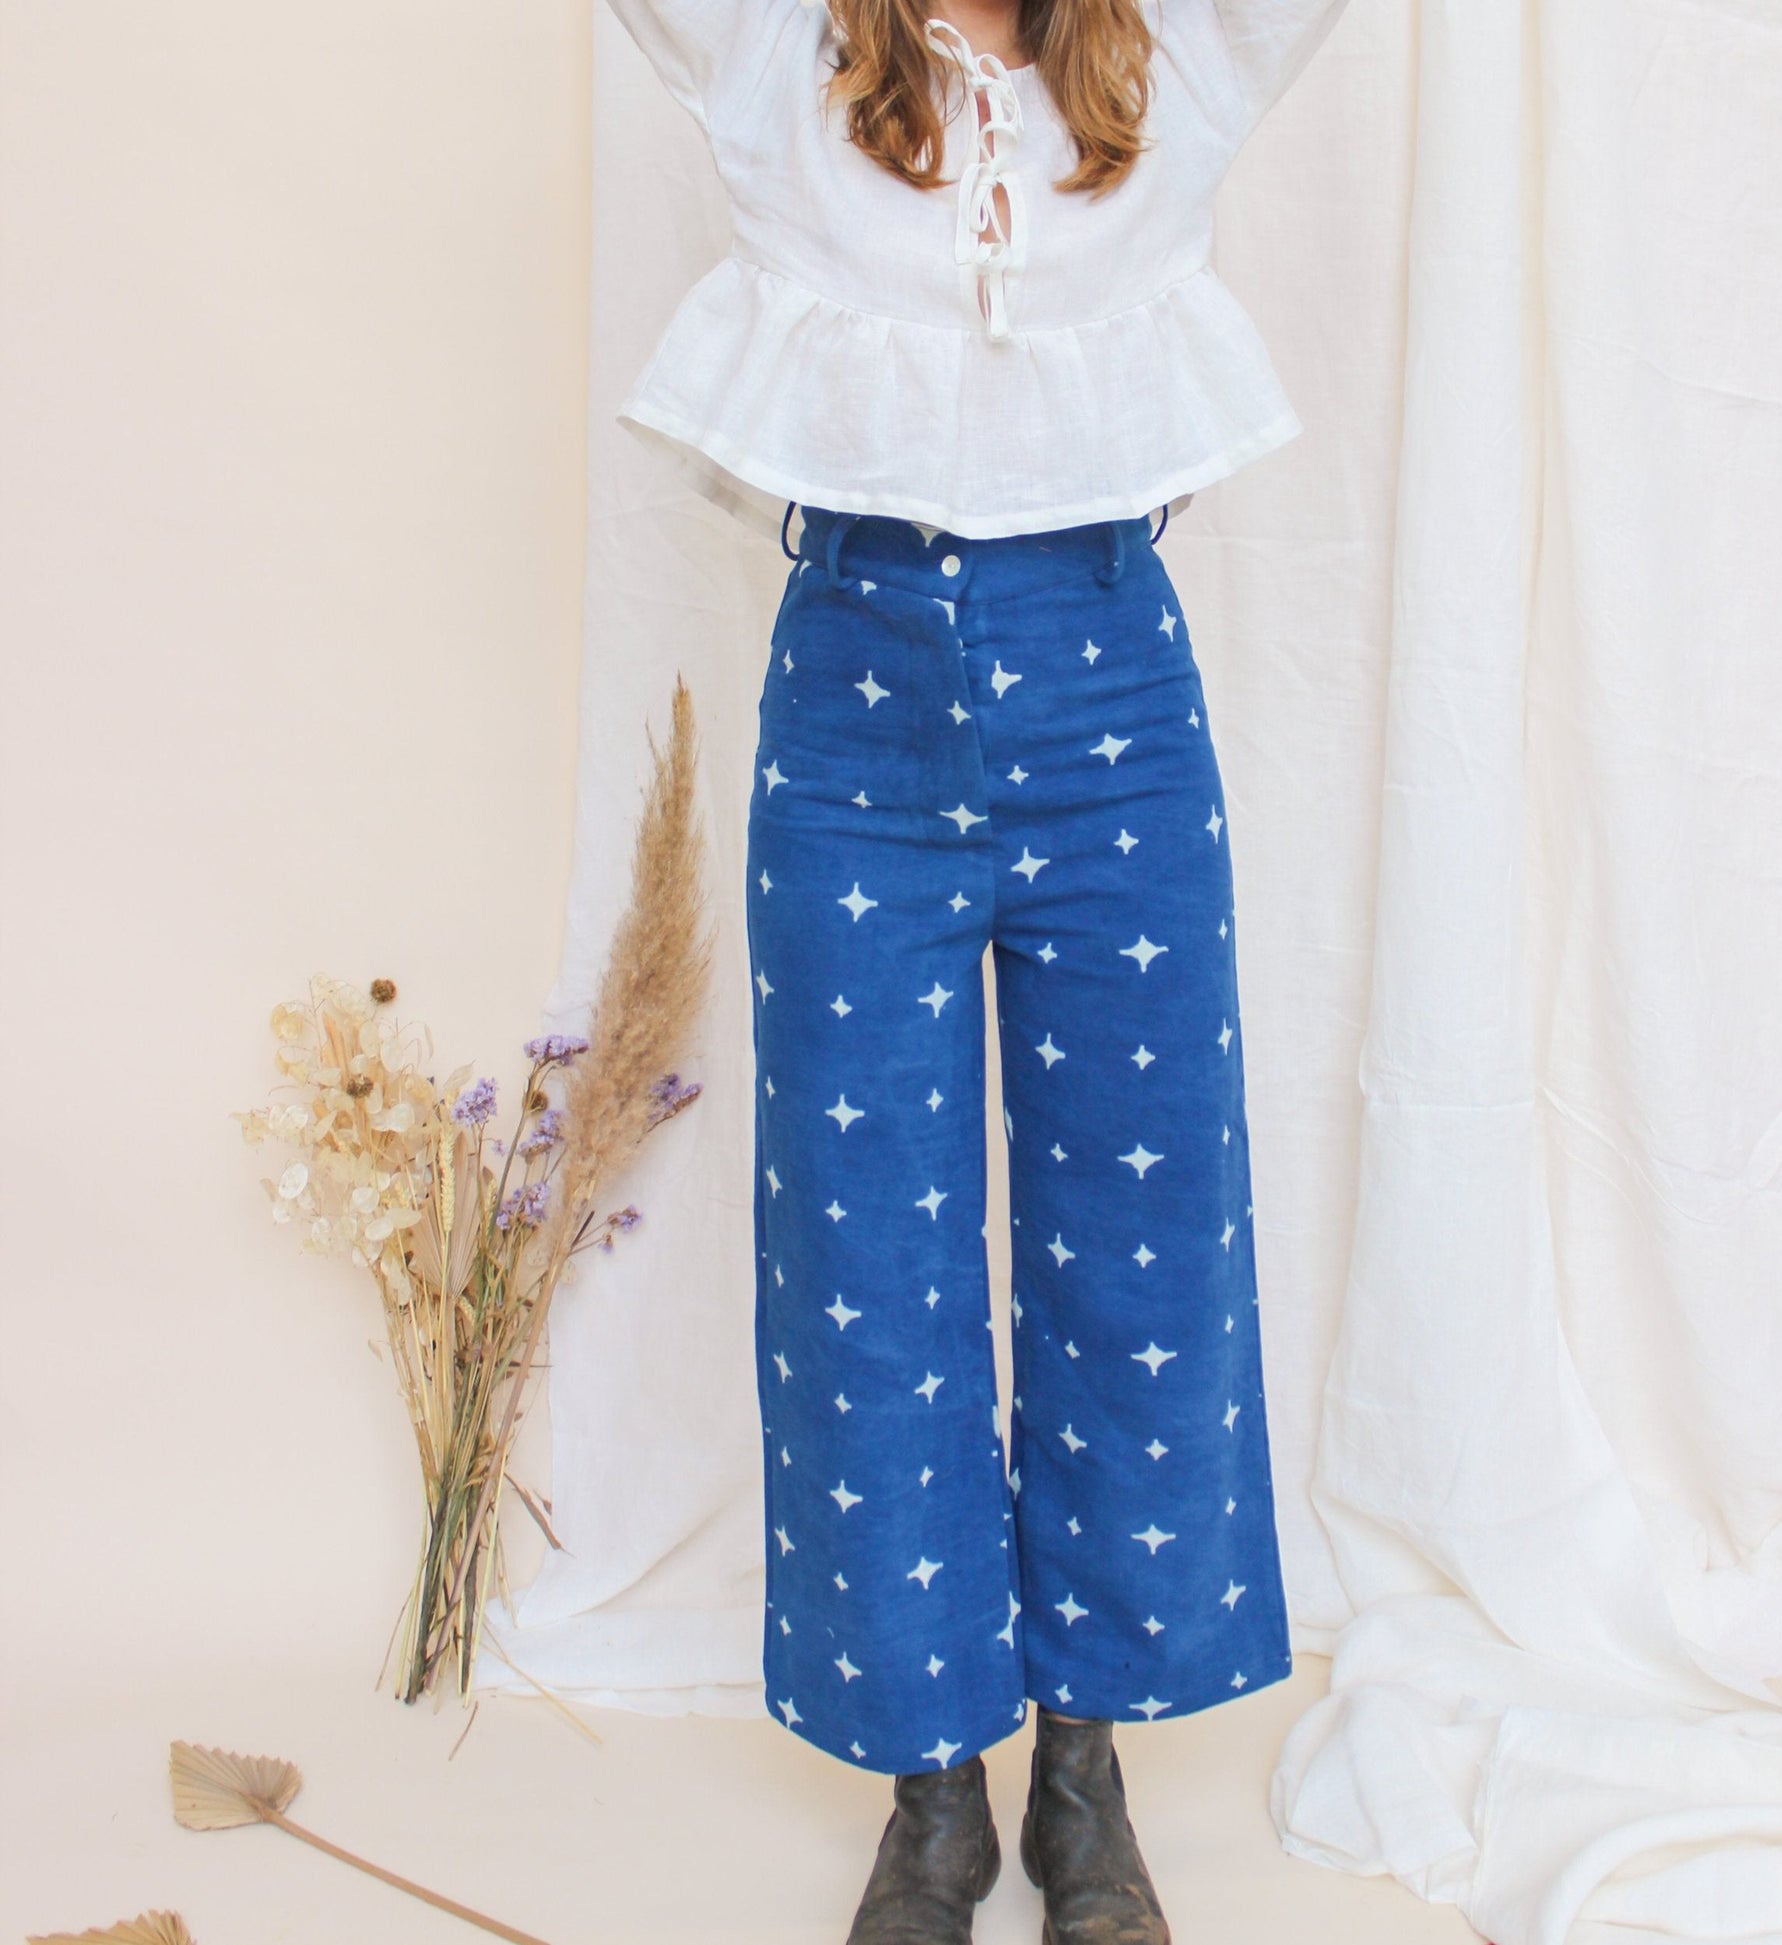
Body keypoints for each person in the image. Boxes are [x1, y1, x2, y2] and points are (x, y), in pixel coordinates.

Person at [603, 2, 1349, 1938]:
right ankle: (934, 1786)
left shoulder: (1174, 65)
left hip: (1111, 699)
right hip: (857, 705)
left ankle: (1082, 1773)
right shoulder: (782, 63)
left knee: (1147, 1235)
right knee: (865, 1257)